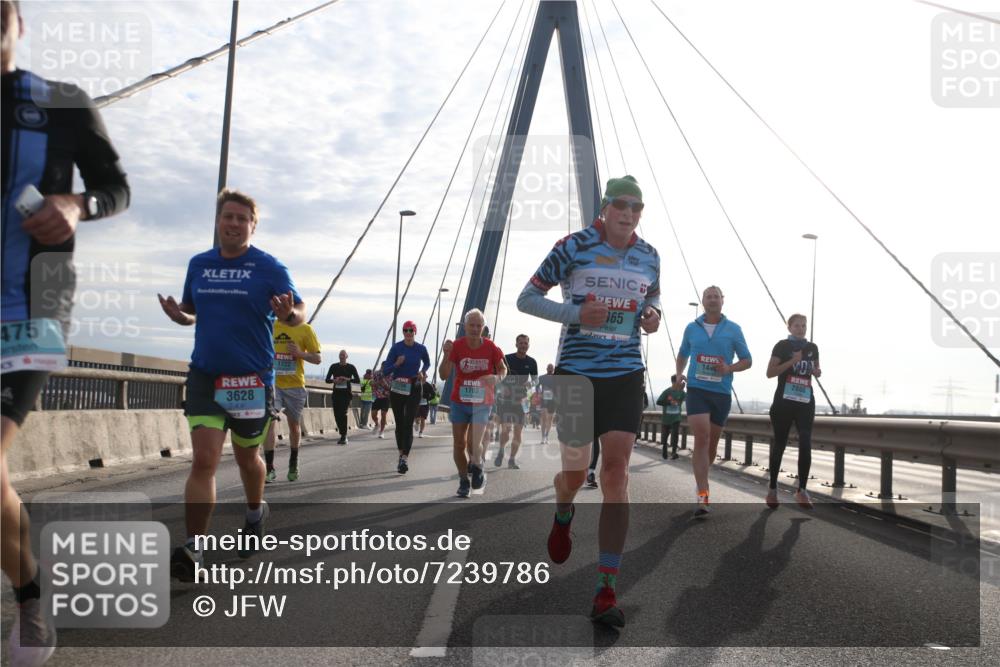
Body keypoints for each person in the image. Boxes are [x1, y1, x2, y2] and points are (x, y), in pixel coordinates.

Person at [2, 2, 131, 660]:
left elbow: (117, 187)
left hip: (32, 309)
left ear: (19, 23)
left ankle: (30, 599)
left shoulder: (61, 104)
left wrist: (77, 203)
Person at [517, 175, 661, 627]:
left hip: (625, 374)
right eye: (621, 204)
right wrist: (576, 314)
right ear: (604, 207)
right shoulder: (573, 246)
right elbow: (527, 298)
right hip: (577, 375)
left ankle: (605, 591)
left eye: (637, 207)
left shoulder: (650, 256)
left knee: (616, 473)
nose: (630, 213)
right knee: (576, 474)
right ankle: (563, 512)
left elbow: (652, 303)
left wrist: (654, 316)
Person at [159, 189, 305, 581]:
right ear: (218, 221)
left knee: (247, 460)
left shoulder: (269, 267)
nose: (235, 223)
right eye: (229, 216)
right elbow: (193, 311)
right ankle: (195, 547)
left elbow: (298, 313)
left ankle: (256, 512)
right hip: (206, 375)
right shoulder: (199, 265)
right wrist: (180, 316)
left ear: (252, 226)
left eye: (243, 218)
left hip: (251, 379)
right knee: (204, 460)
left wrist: (287, 312)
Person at [673, 285, 752, 518]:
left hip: (721, 393)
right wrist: (679, 375)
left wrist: (729, 368)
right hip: (697, 390)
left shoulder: (733, 330)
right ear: (703, 301)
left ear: (722, 301)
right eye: (708, 296)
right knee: (702, 437)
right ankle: (703, 493)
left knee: (712, 444)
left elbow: (747, 360)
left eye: (716, 296)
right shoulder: (692, 328)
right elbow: (682, 354)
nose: (712, 300)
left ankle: (702, 483)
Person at [439, 309, 506, 497]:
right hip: (460, 402)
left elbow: (503, 369)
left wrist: (496, 378)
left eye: (479, 326)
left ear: (483, 327)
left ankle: (478, 465)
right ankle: (463, 480)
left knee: (474, 442)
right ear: (465, 326)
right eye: (472, 325)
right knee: (459, 444)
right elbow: (443, 375)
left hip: (482, 402)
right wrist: (446, 354)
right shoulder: (457, 346)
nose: (475, 329)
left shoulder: (491, 347)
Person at [766, 314, 821, 510]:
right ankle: (772, 489)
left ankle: (802, 490)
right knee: (780, 443)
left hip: (805, 402)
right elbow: (770, 372)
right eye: (797, 326)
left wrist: (816, 371)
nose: (801, 329)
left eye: (804, 326)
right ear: (789, 327)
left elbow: (816, 369)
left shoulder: (812, 348)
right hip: (783, 402)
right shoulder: (782, 346)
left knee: (805, 441)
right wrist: (792, 361)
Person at [263, 320, 321, 482]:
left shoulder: (305, 329)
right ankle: (269, 468)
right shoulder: (269, 326)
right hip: (273, 385)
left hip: (295, 386)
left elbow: (317, 358)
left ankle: (293, 461)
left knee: (294, 426)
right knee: (269, 421)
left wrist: (300, 354)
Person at [381, 320, 430, 474]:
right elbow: (385, 371)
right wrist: (396, 363)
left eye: (411, 330)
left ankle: (404, 459)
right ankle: (401, 453)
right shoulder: (396, 348)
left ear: (415, 332)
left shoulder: (421, 349)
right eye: (405, 330)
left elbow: (427, 363)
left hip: (414, 387)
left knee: (408, 423)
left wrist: (423, 371)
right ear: (403, 332)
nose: (408, 333)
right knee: (400, 424)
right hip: (397, 389)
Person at [495, 334, 538, 469]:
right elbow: (497, 376)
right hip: (506, 400)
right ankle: (501, 450)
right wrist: (502, 388)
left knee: (518, 432)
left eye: (525, 343)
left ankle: (512, 459)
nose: (523, 345)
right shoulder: (507, 359)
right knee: (506, 430)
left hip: (523, 400)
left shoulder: (532, 362)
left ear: (528, 345)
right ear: (516, 344)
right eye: (521, 343)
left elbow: (536, 380)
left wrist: (529, 384)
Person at [325, 350, 360, 444]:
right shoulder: (333, 366)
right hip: (336, 393)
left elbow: (357, 380)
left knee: (343, 413)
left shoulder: (351, 367)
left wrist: (347, 379)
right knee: (337, 415)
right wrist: (334, 381)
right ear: (339, 356)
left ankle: (344, 436)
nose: (342, 356)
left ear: (347, 356)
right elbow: (327, 380)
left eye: (343, 355)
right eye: (340, 355)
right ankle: (342, 433)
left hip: (346, 394)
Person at [656, 375, 686, 460]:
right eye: (679, 381)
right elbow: (659, 401)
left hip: (676, 418)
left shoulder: (681, 392)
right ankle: (664, 450)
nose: (680, 383)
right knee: (665, 437)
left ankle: (674, 452)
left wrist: (684, 388)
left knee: (675, 434)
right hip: (667, 418)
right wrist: (669, 403)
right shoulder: (667, 392)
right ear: (674, 382)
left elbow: (688, 397)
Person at [538, 363, 557, 444]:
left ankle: (546, 436)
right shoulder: (542, 377)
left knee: (550, 419)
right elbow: (537, 386)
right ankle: (542, 437)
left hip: (553, 401)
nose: (550, 369)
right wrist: (539, 393)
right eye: (549, 368)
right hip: (544, 399)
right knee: (543, 418)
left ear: (553, 369)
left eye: (551, 368)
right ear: (546, 368)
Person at [370, 369, 391, 437]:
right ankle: (377, 424)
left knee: (383, 414)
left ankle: (382, 431)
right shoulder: (376, 373)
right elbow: (371, 383)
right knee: (373, 414)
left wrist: (385, 384)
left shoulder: (391, 374)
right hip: (376, 397)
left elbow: (390, 388)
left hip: (386, 397)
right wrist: (378, 382)